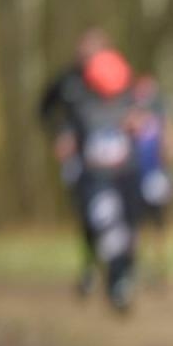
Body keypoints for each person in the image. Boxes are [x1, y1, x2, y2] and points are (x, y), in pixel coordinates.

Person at [45, 47, 146, 313]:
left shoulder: (130, 102)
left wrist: (140, 127)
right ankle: (114, 281)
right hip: (96, 179)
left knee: (128, 231)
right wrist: (65, 141)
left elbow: (147, 131)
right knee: (105, 224)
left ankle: (124, 274)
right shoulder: (80, 106)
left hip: (126, 177)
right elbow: (65, 131)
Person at [38, 27, 114, 297]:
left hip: (112, 159)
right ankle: (91, 266)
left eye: (96, 48)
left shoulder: (116, 77)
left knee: (116, 212)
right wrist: (59, 134)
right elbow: (45, 109)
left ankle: (118, 268)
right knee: (87, 213)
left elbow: (135, 107)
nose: (89, 54)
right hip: (78, 159)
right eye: (85, 48)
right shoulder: (66, 81)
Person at [129, 73, 173, 288]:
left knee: (159, 225)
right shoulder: (127, 116)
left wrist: (168, 148)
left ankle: (160, 269)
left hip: (156, 177)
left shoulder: (162, 117)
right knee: (133, 226)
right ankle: (132, 269)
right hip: (133, 177)